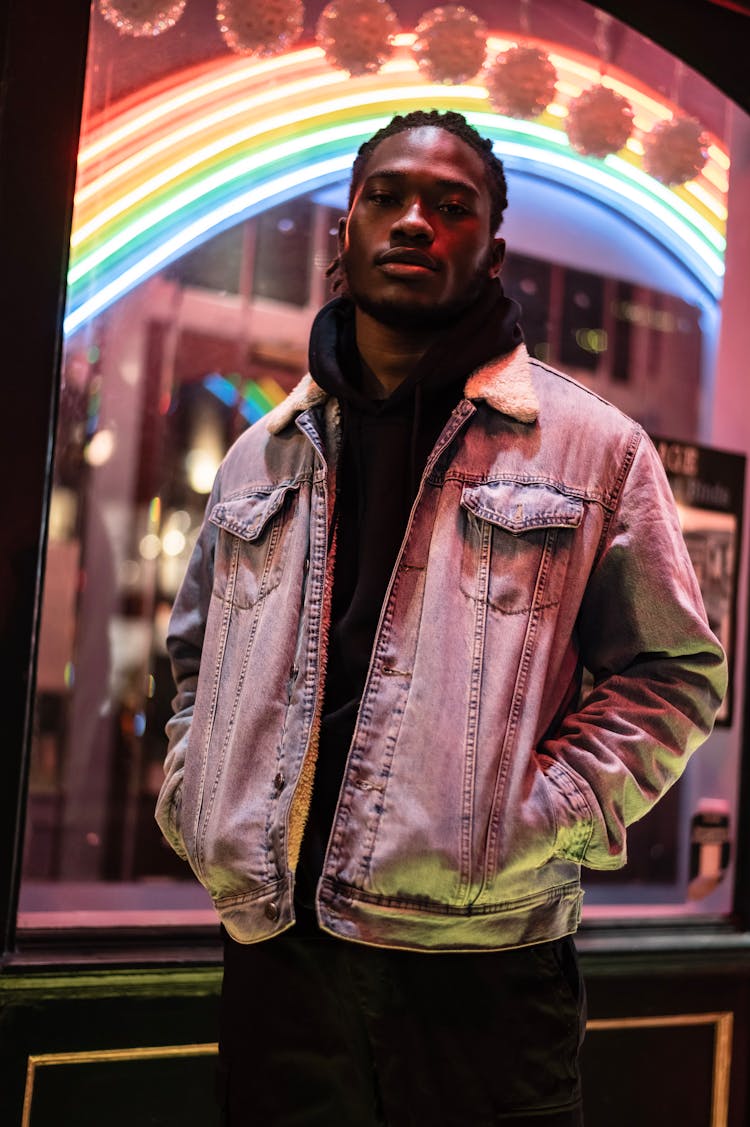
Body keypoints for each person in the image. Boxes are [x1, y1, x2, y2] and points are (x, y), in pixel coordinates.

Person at [156, 110, 727, 1126]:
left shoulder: (595, 449)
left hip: (484, 969)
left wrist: (539, 815)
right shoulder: (262, 455)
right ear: (346, 229)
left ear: (492, 250)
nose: (414, 220)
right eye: (387, 197)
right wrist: (196, 790)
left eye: (449, 205)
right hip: (274, 956)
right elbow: (196, 657)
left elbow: (674, 672)